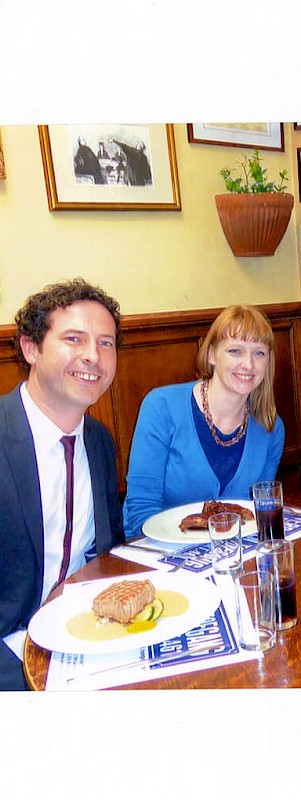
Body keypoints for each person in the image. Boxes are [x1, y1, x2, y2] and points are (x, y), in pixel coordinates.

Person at [0, 279, 124, 690]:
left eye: (106, 343)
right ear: (30, 348)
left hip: (84, 637)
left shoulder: (99, 442)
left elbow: (107, 553)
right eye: (74, 339)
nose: (93, 356)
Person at [123, 305, 285, 538]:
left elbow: (259, 512)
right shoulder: (161, 406)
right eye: (235, 351)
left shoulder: (271, 427)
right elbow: (141, 510)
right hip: (156, 549)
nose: (248, 364)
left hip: (233, 552)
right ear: (211, 354)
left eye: (259, 353)